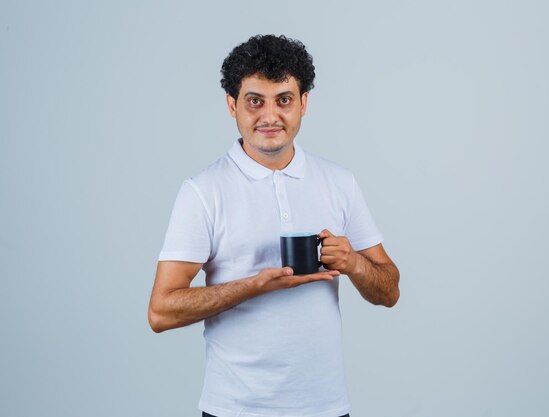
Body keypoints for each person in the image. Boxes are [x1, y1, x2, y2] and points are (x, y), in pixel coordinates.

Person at [148, 34, 400, 417]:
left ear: (303, 104)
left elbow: (389, 291)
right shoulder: (202, 192)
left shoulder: (339, 182)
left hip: (326, 407)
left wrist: (353, 264)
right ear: (232, 105)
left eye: (283, 100)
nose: (270, 116)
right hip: (234, 408)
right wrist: (254, 285)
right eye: (254, 101)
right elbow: (161, 312)